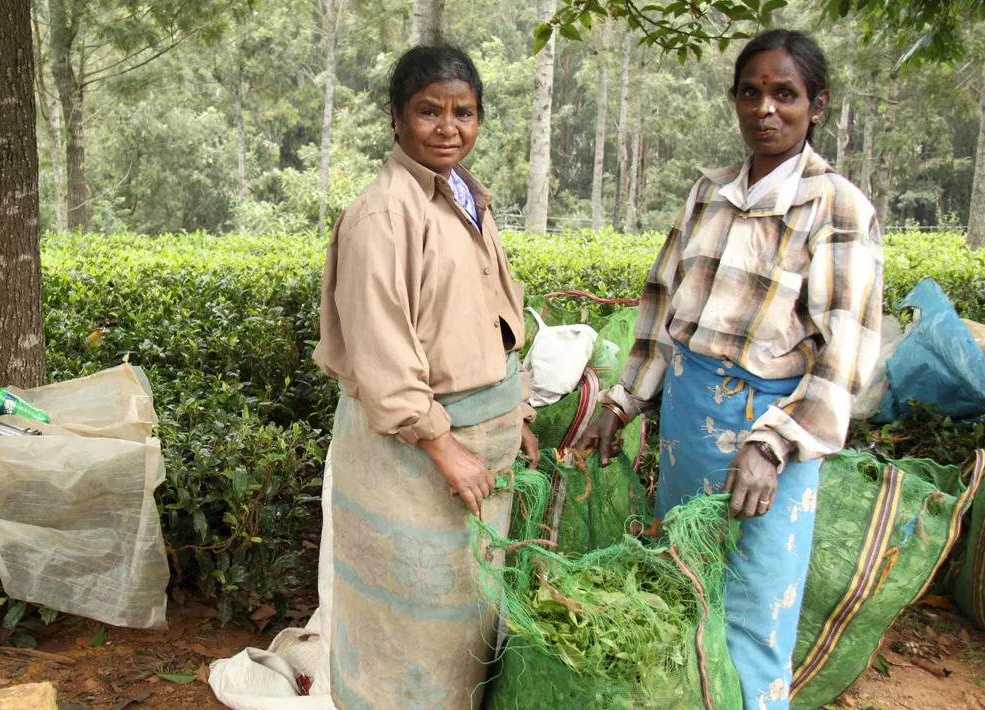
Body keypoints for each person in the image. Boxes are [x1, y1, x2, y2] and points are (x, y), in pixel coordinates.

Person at [581, 29, 884, 710]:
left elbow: (846, 357)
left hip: (769, 432)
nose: (766, 109)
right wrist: (624, 401)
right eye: (751, 93)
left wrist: (772, 447)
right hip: (689, 421)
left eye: (785, 94)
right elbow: (664, 310)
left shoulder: (837, 207)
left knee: (753, 605)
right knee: (683, 584)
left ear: (817, 105)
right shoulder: (710, 192)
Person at [312, 45, 539, 710]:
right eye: (429, 112)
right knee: (409, 626)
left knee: (465, 619)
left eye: (463, 113)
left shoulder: (464, 194)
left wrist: (515, 413)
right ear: (396, 119)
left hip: (476, 442)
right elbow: (383, 353)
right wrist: (443, 447)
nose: (448, 127)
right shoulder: (384, 215)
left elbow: (495, 312)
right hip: (415, 458)